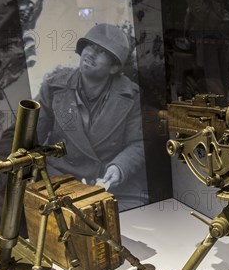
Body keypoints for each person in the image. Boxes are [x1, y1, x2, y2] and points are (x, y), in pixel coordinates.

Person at [35, 23, 147, 211]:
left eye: (101, 51)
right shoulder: (54, 87)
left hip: (108, 183)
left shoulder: (131, 96)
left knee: (131, 221)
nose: (91, 53)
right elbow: (31, 137)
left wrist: (119, 167)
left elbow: (138, 143)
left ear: (113, 68)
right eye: (89, 46)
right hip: (62, 179)